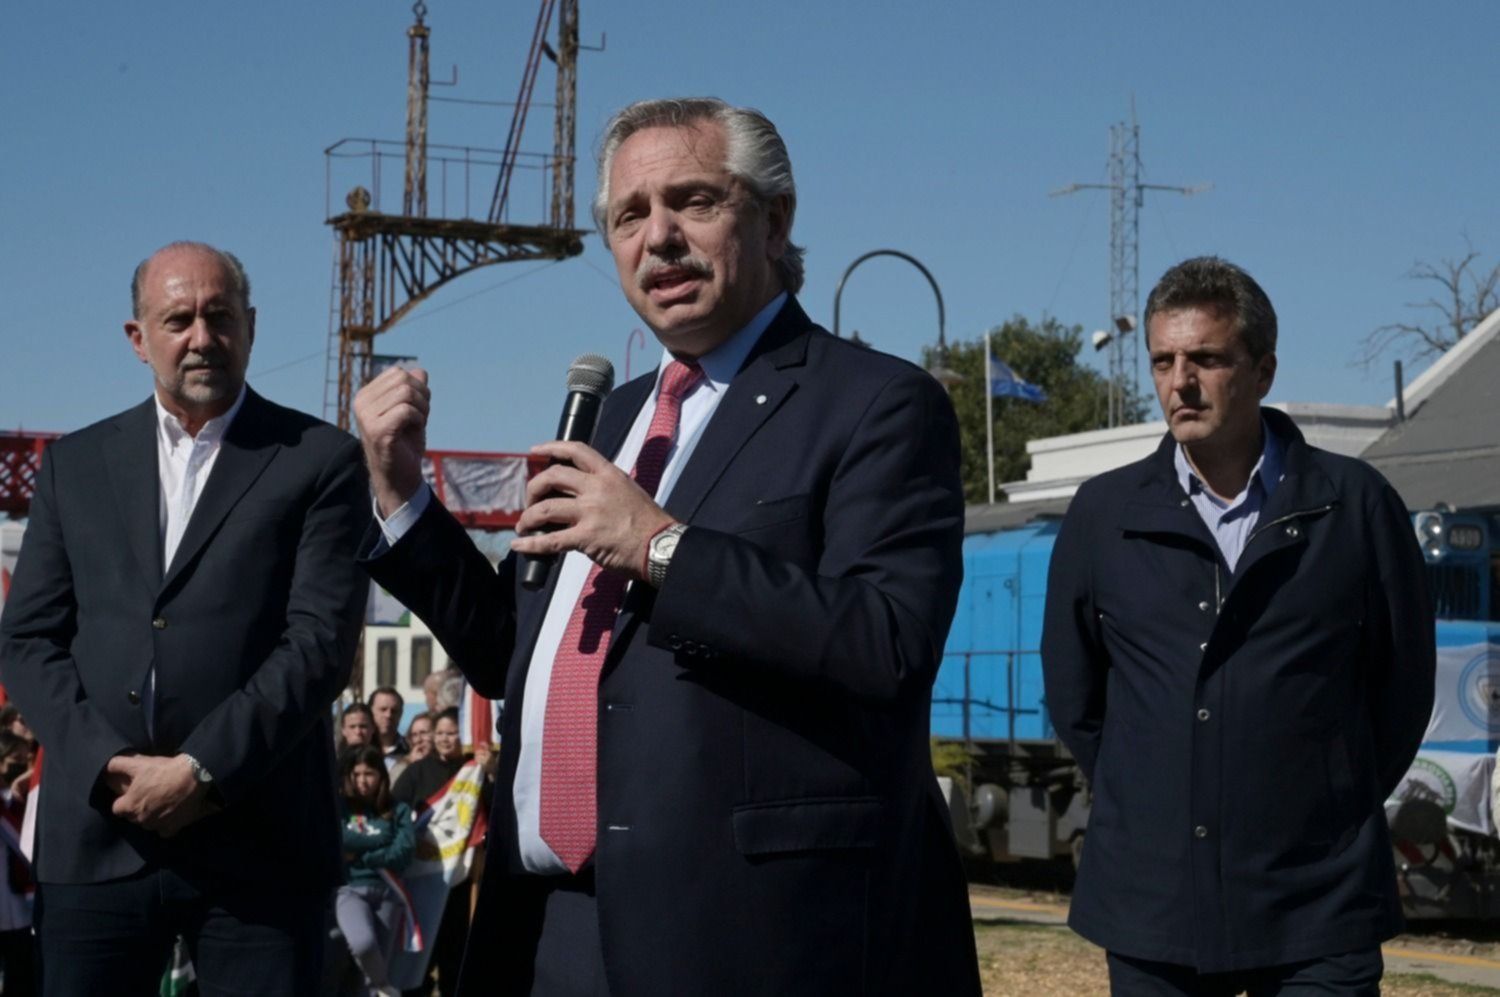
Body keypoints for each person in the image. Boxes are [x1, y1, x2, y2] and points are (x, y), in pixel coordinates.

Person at [356, 97, 980, 996]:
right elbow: (511, 655)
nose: (659, 237)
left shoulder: (875, 402)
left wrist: (659, 546)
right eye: (630, 214)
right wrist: (402, 495)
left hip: (746, 935)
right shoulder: (610, 417)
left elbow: (887, 640)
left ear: (775, 220)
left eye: (694, 201)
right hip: (545, 928)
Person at [1042, 256, 1435, 995]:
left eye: (1207, 359)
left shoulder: (1355, 505)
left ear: (1263, 370)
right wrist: (1157, 790)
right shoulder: (1103, 516)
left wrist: (1323, 794)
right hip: (1154, 903)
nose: (1180, 382)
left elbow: (1403, 686)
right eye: (1163, 361)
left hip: (1319, 902)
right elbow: (1075, 696)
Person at [0, 241, 370, 996]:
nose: (202, 337)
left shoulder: (320, 460)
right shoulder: (74, 467)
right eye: (178, 320)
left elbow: (320, 643)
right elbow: (28, 638)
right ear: (138, 338)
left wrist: (200, 770)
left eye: (219, 316)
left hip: (261, 845)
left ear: (251, 327)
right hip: (98, 835)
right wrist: (107, 762)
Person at [390, 708, 477, 997]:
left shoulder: (472, 771)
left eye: (451, 733)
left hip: (459, 880)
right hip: (422, 877)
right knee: (420, 958)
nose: (445, 739)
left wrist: (487, 772)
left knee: (454, 956)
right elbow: (395, 807)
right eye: (440, 733)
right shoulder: (417, 771)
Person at [336, 745, 415, 997]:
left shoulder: (398, 809)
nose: (362, 780)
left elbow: (404, 852)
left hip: (389, 892)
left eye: (369, 773)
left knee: (377, 962)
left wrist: (362, 856)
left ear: (381, 775)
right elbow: (341, 840)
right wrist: (382, 840)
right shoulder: (340, 808)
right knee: (363, 944)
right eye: (356, 774)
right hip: (350, 890)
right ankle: (384, 986)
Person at [0, 730, 35, 996]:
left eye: (26, 762)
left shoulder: (14, 799)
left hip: (20, 914)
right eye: (16, 762)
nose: (21, 767)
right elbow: (26, 846)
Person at [370, 687, 410, 770]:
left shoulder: (410, 749)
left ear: (401, 714)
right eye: (383, 709)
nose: (388, 715)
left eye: (394, 711)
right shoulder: (361, 748)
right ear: (370, 712)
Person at [390, 712, 433, 785]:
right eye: (414, 735)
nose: (418, 740)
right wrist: (413, 766)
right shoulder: (402, 766)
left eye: (423, 733)